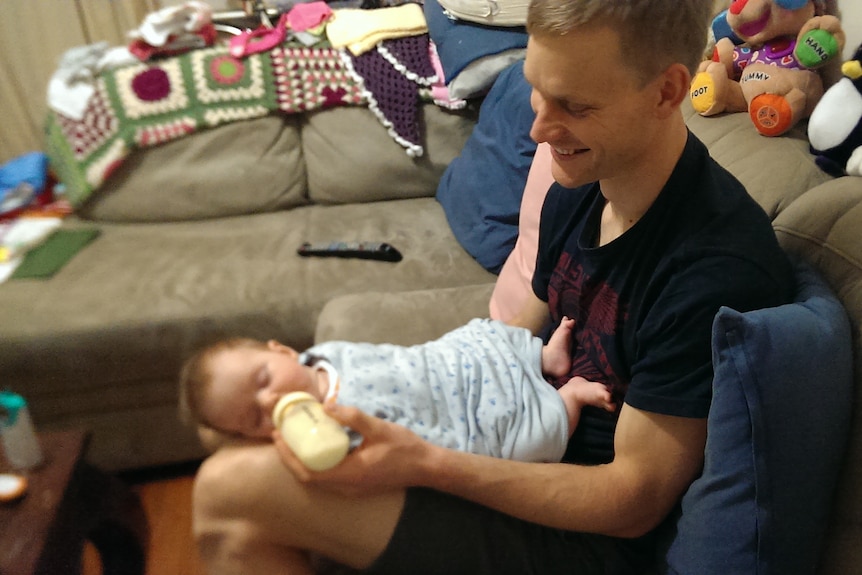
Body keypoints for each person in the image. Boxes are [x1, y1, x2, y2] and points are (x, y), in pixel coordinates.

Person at [192, 1, 795, 573]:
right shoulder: (580, 189)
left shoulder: (713, 270)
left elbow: (632, 501)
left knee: (229, 488)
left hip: (583, 540)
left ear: (667, 91)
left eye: (573, 105)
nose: (537, 128)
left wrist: (425, 462)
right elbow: (505, 341)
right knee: (239, 507)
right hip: (512, 450)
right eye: (536, 86)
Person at [180, 317, 614, 462]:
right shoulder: (326, 434)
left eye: (263, 380)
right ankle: (567, 396)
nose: (270, 401)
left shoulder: (324, 354)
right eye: (254, 418)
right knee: (529, 444)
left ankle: (544, 359)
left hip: (444, 366)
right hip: (463, 423)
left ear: (281, 350)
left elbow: (395, 357)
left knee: (484, 333)